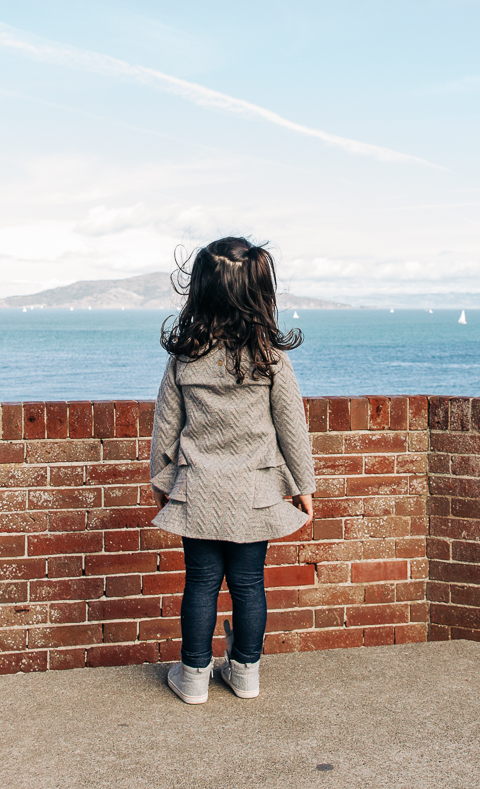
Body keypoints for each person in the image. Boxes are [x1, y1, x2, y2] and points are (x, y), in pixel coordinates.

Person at [149, 236, 316, 704]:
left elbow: (166, 425)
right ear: (259, 293)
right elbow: (292, 425)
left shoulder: (184, 356)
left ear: (200, 290)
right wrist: (304, 485)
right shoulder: (270, 358)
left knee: (200, 582)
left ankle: (194, 676)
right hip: (256, 490)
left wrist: (162, 481)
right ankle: (245, 672)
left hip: (198, 489)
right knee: (249, 584)